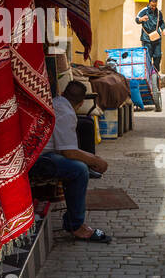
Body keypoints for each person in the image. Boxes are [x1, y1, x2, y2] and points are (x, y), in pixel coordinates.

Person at [31, 80, 111, 242]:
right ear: (81, 102)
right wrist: (95, 160)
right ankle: (76, 225)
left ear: (63, 94)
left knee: (80, 160)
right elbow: (68, 151)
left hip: (35, 156)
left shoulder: (57, 102)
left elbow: (65, 149)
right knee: (78, 170)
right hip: (36, 160)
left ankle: (74, 219)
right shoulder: (66, 113)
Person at [135, 0, 165, 74]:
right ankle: (148, 73)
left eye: (155, 6)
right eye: (152, 6)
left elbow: (161, 22)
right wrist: (141, 19)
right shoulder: (144, 11)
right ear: (149, 4)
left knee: (158, 56)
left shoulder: (158, 12)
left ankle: (155, 73)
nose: (154, 7)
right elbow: (137, 19)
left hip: (156, 38)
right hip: (146, 38)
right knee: (148, 57)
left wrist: (164, 29)